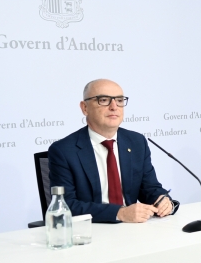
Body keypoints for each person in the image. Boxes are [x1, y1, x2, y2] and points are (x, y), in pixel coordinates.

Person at [48, 79, 178, 223]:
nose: (114, 107)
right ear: (85, 108)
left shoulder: (136, 142)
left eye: (119, 100)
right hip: (92, 229)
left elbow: (149, 188)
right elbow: (66, 205)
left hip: (132, 228)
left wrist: (162, 200)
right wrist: (119, 213)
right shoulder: (63, 151)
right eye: (104, 100)